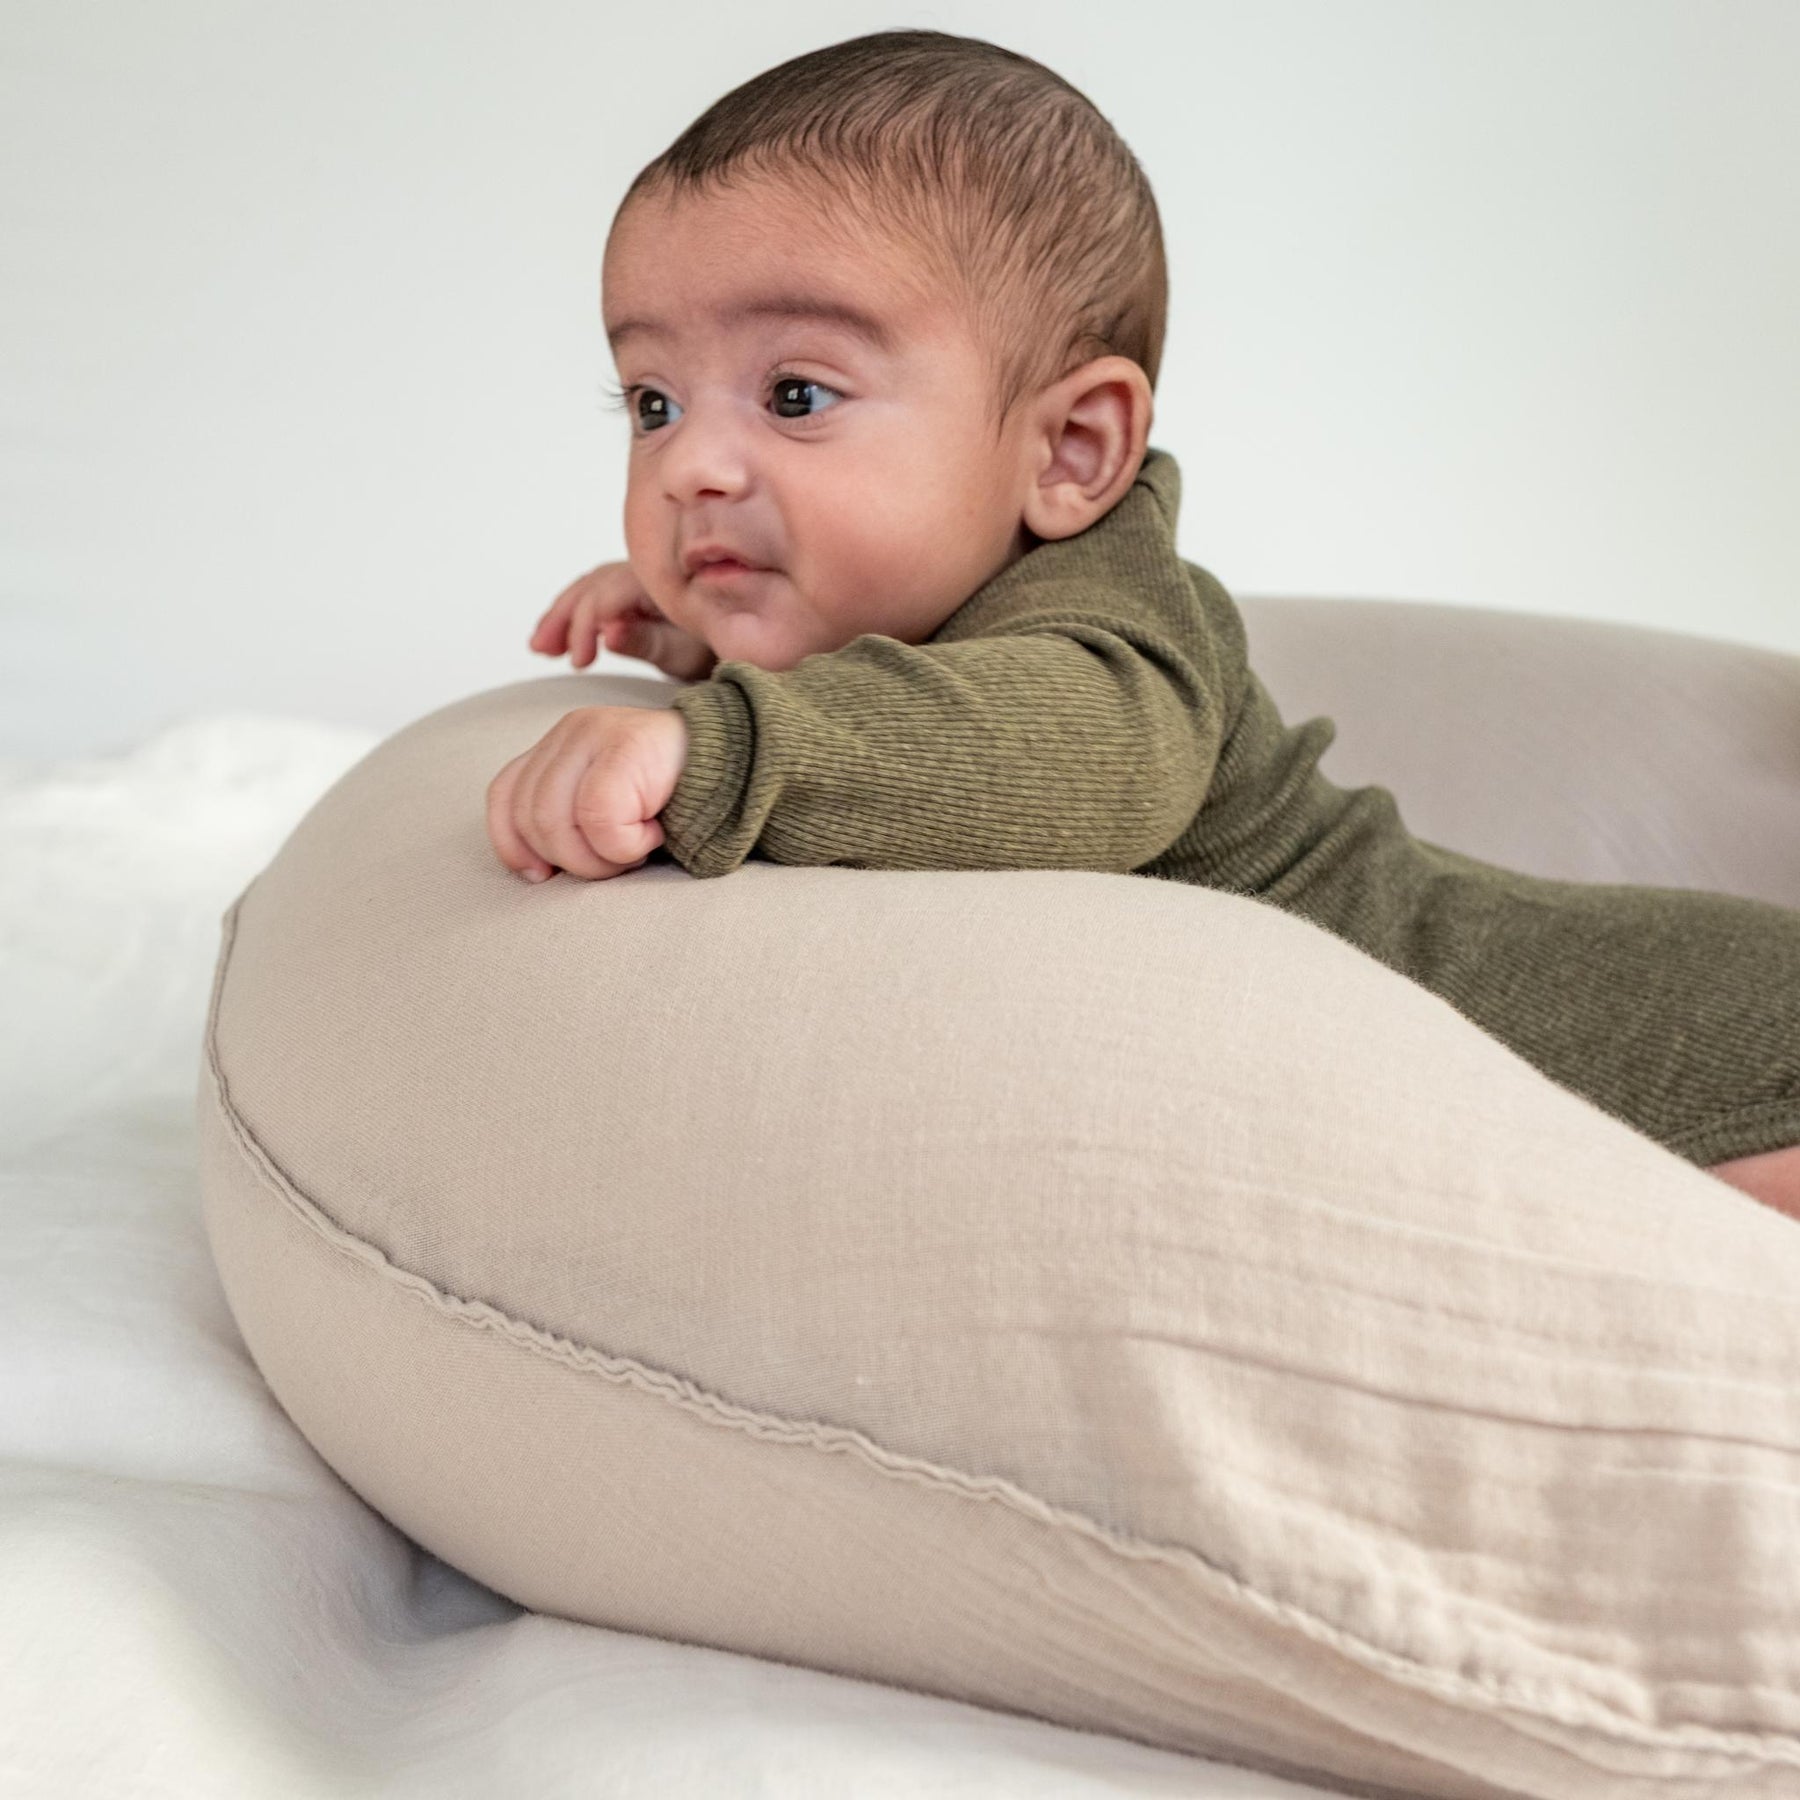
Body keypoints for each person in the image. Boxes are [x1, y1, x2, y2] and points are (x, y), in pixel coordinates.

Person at [485, 29, 1800, 1218]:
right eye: (652, 403)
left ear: (1069, 452)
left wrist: (726, 744)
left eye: (795, 395)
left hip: (1668, 1043)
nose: (690, 467)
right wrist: (708, 628)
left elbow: (1042, 756)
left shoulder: (1116, 649)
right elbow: (909, 687)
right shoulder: (934, 600)